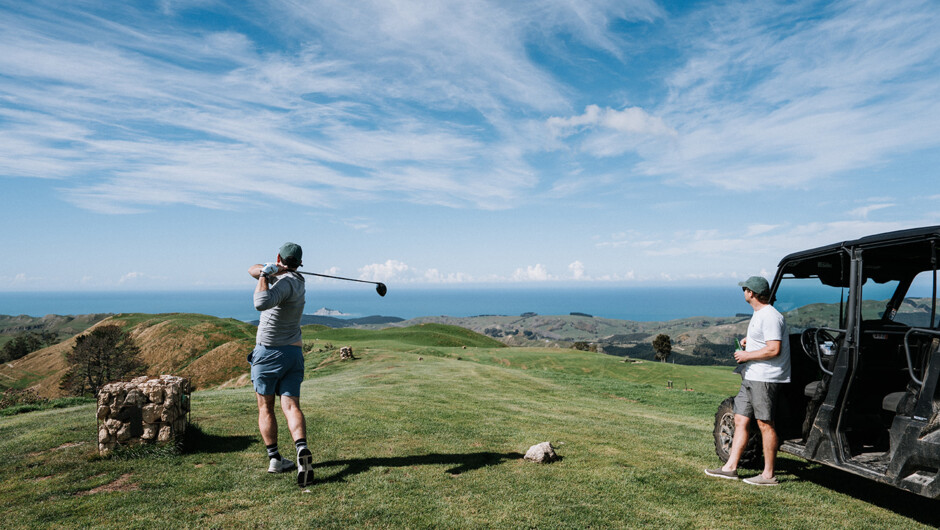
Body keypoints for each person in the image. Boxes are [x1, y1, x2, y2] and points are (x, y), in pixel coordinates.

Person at [705, 275, 791, 486]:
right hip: (752, 375)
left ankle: (768, 475)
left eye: (745, 289)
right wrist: (749, 342)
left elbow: (774, 349)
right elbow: (765, 342)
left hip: (765, 378)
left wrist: (746, 356)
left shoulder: (770, 316)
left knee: (764, 424)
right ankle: (730, 468)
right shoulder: (759, 314)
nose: (743, 292)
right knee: (740, 419)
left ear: (751, 293)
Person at [248, 242, 314, 487]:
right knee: (290, 405)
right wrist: (267, 269)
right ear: (299, 262)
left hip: (268, 354)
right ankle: (301, 449)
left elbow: (261, 302)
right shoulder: (298, 281)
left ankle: (274, 457)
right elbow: (250, 269)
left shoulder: (284, 283)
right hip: (293, 354)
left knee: (265, 407)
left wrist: (266, 273)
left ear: (278, 257)